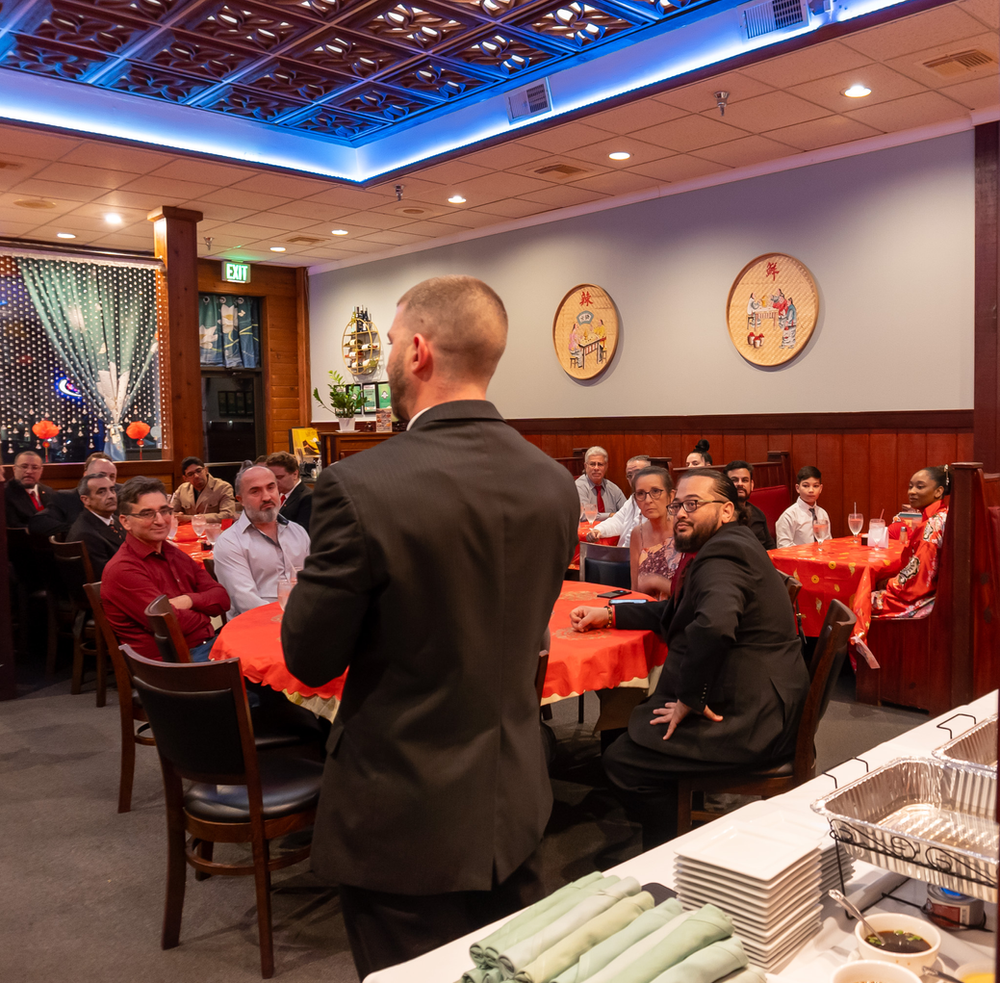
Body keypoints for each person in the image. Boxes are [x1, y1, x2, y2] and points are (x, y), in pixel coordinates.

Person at [281, 275, 579, 977]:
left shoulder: (360, 486)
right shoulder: (551, 482)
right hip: (518, 800)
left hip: (404, 814)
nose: (385, 356)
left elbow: (310, 657)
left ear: (418, 351)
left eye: (388, 342)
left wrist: (308, 590)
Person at [572, 470, 808, 849]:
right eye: (678, 504)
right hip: (753, 694)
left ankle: (673, 851)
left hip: (751, 717)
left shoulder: (723, 554)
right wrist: (613, 613)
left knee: (623, 763)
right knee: (631, 737)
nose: (681, 512)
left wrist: (689, 698)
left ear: (727, 510)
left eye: (693, 505)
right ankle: (676, 830)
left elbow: (713, 626)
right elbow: (678, 614)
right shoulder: (723, 544)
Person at [102, 476, 230, 661]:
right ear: (125, 521)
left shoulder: (173, 553)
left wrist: (188, 600)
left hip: (205, 647)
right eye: (147, 514)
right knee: (265, 684)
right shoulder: (123, 569)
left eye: (164, 511)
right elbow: (170, 624)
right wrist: (205, 616)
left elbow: (222, 599)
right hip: (172, 666)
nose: (161, 520)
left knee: (272, 667)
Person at [213, 464, 310, 618]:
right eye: (255, 491)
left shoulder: (298, 532)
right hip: (255, 627)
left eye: (271, 488)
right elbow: (247, 604)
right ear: (241, 500)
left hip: (302, 620)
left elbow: (312, 583)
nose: (266, 497)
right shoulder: (230, 543)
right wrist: (296, 618)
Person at [872, 466, 950, 620]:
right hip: (935, 592)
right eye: (910, 487)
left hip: (926, 600)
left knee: (860, 601)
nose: (911, 492)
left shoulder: (931, 526)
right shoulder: (942, 514)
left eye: (920, 487)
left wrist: (889, 583)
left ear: (938, 491)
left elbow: (917, 581)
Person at [29, 454, 120, 541]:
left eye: (112, 477)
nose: (107, 481)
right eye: (100, 475)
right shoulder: (66, 498)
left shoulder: (122, 493)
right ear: (86, 475)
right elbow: (38, 523)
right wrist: (77, 528)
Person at [630, 467, 680, 600]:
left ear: (671, 496)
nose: (648, 500)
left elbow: (693, 593)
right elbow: (635, 590)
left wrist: (656, 582)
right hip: (647, 613)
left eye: (656, 491)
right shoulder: (637, 533)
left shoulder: (683, 529)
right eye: (641, 493)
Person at [66, 473, 125, 579]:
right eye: (101, 492)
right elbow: (107, 576)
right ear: (86, 500)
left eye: (112, 490)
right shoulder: (86, 534)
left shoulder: (115, 519)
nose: (111, 496)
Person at [586, 454, 650, 547]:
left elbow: (636, 535)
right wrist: (599, 530)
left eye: (638, 473)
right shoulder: (633, 498)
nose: (633, 478)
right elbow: (618, 521)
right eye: (629, 475)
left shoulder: (654, 501)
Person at [725, 459, 775, 551]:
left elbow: (771, 547)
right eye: (734, 480)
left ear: (751, 485)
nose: (740, 484)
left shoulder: (758, 514)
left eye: (745, 480)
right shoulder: (721, 515)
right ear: (726, 484)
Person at [775, 466, 831, 547]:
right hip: (798, 558)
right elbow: (783, 547)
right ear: (797, 488)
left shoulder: (822, 513)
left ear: (820, 488)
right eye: (806, 486)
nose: (811, 490)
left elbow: (828, 542)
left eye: (815, 486)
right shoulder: (789, 515)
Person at [169, 456, 236, 524]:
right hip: (188, 531)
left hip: (215, 531)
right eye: (190, 474)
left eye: (199, 471)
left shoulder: (223, 487)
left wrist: (191, 518)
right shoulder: (182, 489)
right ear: (185, 478)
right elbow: (171, 513)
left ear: (206, 470)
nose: (196, 476)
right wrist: (177, 516)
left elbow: (228, 515)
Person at [5, 451, 56, 527]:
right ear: (14, 469)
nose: (29, 471)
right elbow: (14, 527)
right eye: (24, 467)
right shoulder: (5, 494)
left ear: (41, 470)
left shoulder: (49, 492)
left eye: (35, 468)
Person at [575, 445, 626, 519]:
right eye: (592, 464)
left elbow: (627, 511)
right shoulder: (579, 487)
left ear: (606, 466)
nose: (596, 468)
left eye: (600, 464)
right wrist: (610, 515)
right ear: (586, 466)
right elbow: (584, 515)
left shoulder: (613, 488)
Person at [266, 451, 312, 532]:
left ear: (295, 474)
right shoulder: (278, 495)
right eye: (272, 477)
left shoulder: (307, 497)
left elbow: (302, 532)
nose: (274, 482)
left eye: (279, 477)